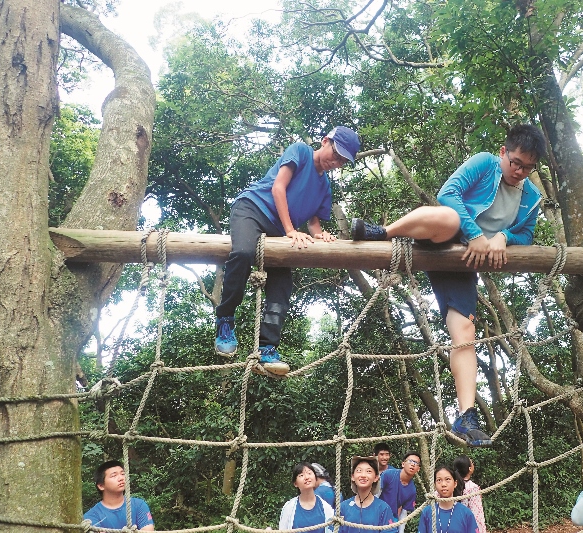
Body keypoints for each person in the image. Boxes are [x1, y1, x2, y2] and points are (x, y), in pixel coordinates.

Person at [350, 124, 546, 447]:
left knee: (465, 334)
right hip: (444, 237)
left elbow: (524, 235)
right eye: (516, 163)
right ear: (503, 153)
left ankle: (466, 416)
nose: (520, 172)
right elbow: (447, 193)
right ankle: (382, 232)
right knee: (449, 218)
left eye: (528, 168)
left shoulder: (532, 198)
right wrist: (475, 235)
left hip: (462, 264)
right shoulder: (485, 164)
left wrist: (502, 237)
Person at [214, 126, 361, 373]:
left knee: (282, 285)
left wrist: (319, 234)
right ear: (325, 141)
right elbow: (278, 188)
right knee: (242, 253)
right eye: (335, 155)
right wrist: (291, 230)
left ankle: (267, 348)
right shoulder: (300, 152)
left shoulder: (324, 186)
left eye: (342, 161)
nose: (335, 162)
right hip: (252, 209)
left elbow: (314, 220)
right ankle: (225, 318)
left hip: (278, 229)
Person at [84, 460, 154, 530]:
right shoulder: (91, 516)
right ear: (101, 485)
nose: (121, 478)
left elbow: (148, 530)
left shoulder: (138, 505)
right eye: (114, 475)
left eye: (123, 474)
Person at [339, 456, 397, 533]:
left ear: (376, 477)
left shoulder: (383, 508)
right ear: (353, 477)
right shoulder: (343, 507)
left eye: (368, 471)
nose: (363, 475)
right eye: (359, 471)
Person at [419, 465, 479, 533]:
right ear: (435, 485)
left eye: (447, 479)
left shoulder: (466, 513)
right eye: (439, 480)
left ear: (455, 483)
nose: (443, 484)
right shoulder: (427, 512)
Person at [279, 462, 335, 533]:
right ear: (295, 483)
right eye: (301, 475)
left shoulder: (326, 508)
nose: (306, 477)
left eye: (309, 473)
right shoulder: (289, 508)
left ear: (315, 478)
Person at [378, 451, 420, 533]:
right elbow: (375, 495)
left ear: (418, 469)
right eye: (410, 461)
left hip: (391, 520)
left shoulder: (412, 490)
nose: (413, 464)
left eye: (416, 463)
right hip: (376, 514)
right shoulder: (388, 474)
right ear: (403, 464)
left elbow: (404, 514)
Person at [453, 455, 487, 533]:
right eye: (472, 463)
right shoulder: (473, 488)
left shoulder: (450, 486)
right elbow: (477, 515)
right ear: (470, 468)